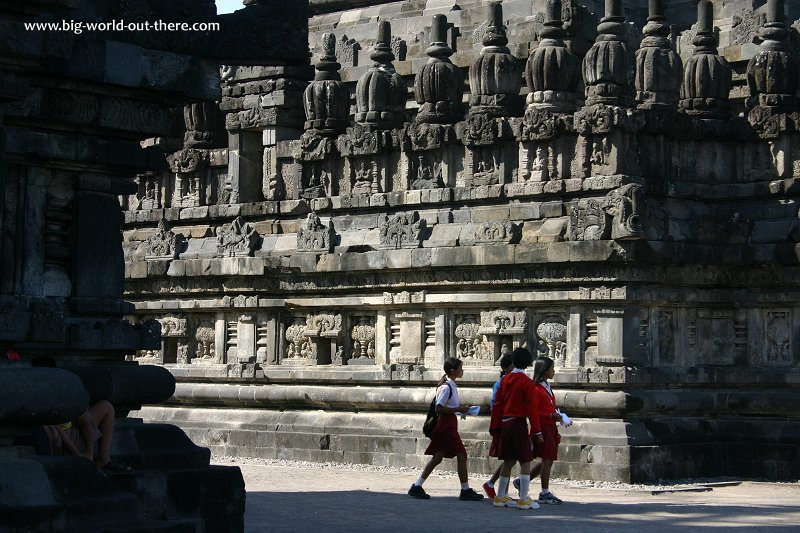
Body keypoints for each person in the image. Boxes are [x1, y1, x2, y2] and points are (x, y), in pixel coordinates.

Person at [32, 356, 131, 472]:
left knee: (106, 407)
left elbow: (85, 420)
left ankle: (104, 459)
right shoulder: (38, 395)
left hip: (74, 432)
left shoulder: (62, 390)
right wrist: (77, 454)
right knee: (48, 430)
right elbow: (58, 430)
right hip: (59, 440)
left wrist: (89, 452)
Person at [408, 357, 483, 501]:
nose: (462, 371)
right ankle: (465, 489)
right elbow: (439, 408)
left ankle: (417, 486)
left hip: (449, 423)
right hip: (446, 425)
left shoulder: (451, 386)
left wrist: (461, 411)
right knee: (461, 454)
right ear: (453, 371)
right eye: (460, 368)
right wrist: (459, 409)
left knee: (438, 456)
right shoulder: (446, 387)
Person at [489, 347, 543, 510]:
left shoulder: (505, 380)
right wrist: (537, 431)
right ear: (528, 363)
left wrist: (495, 426)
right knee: (525, 459)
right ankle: (523, 497)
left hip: (505, 422)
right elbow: (531, 409)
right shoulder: (527, 383)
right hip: (518, 422)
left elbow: (498, 404)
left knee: (509, 459)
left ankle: (500, 496)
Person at [482, 353, 514, 499]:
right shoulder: (500, 384)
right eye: (513, 367)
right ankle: (502, 491)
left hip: (510, 422)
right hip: (504, 423)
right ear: (507, 368)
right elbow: (494, 405)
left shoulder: (510, 382)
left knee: (511, 458)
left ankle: (492, 484)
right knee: (509, 458)